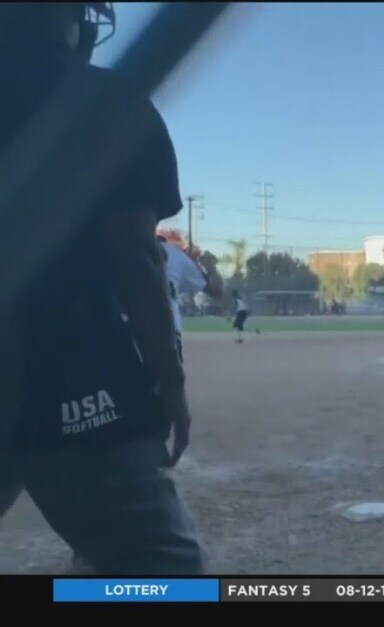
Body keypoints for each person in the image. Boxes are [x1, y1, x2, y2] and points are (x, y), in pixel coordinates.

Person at [0, 3, 204, 574]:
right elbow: (134, 253)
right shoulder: (104, 101)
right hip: (62, 372)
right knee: (160, 565)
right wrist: (169, 381)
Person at [158, 235, 222, 358]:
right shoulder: (177, 255)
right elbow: (215, 291)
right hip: (168, 326)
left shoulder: (124, 250)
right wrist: (208, 266)